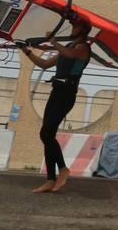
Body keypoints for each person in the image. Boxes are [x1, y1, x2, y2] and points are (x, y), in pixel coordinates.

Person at [20, 23, 92, 194]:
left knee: (46, 133)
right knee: (47, 134)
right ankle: (50, 180)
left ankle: (63, 169)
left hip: (67, 94)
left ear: (82, 30)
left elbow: (70, 54)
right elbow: (44, 64)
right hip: (56, 92)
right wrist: (26, 50)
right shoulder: (67, 47)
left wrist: (53, 41)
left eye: (74, 26)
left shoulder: (83, 48)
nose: (71, 27)